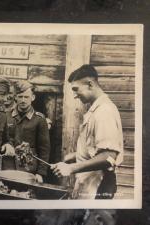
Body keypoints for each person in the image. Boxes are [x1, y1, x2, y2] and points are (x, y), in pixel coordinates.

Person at [52, 64, 123, 199]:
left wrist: (72, 168)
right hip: (90, 182)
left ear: (90, 84)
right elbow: (95, 149)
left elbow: (108, 157)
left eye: (76, 89)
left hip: (99, 185)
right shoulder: (95, 109)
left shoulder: (105, 111)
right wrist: (75, 156)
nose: (74, 95)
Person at [6, 80, 51, 183]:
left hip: (29, 168)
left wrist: (41, 172)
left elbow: (44, 148)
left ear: (33, 98)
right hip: (8, 166)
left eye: (26, 97)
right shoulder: (6, 116)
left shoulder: (39, 119)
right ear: (15, 97)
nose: (23, 100)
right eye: (20, 96)